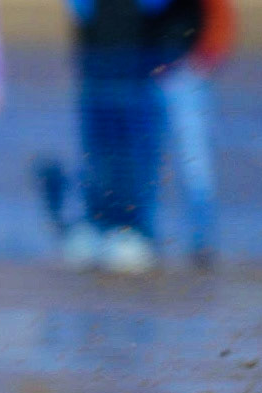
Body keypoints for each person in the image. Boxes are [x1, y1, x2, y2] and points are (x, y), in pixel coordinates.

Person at [61, 0, 172, 273]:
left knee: (133, 155)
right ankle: (99, 224)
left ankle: (133, 229)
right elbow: (79, 10)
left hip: (137, 66)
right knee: (98, 153)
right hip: (96, 64)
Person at [153, 0, 231, 264]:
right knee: (144, 160)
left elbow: (220, 12)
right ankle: (145, 236)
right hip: (144, 72)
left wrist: (202, 61)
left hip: (184, 73)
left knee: (195, 162)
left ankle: (202, 242)